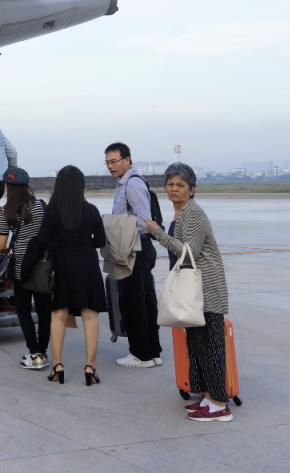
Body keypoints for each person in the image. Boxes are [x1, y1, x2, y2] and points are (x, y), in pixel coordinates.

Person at [146, 163, 233, 422]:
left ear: (192, 189)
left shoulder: (192, 213)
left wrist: (157, 233)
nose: (174, 189)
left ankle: (220, 405)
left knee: (211, 347)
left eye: (180, 185)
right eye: (170, 184)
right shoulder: (180, 212)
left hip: (205, 289)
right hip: (192, 291)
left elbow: (189, 252)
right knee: (198, 346)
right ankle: (208, 397)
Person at [34, 165, 107, 386]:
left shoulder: (53, 210)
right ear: (81, 186)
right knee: (90, 316)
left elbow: (41, 238)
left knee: (58, 315)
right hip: (87, 264)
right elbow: (101, 242)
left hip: (62, 265)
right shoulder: (91, 210)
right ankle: (90, 367)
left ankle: (57, 366)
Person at [0, 168, 52, 369]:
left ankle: (34, 353)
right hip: (42, 266)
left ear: (7, 186)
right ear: (26, 186)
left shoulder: (6, 212)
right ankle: (42, 352)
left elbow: (0, 244)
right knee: (44, 311)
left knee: (24, 310)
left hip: (20, 267)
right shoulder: (41, 206)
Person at [106, 141, 162, 368]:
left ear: (127, 160)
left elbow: (143, 221)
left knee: (134, 303)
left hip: (134, 248)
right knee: (146, 302)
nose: (110, 166)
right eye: (107, 162)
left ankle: (141, 355)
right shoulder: (126, 183)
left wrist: (113, 226)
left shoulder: (131, 184)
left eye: (114, 161)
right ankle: (153, 351)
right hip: (138, 247)